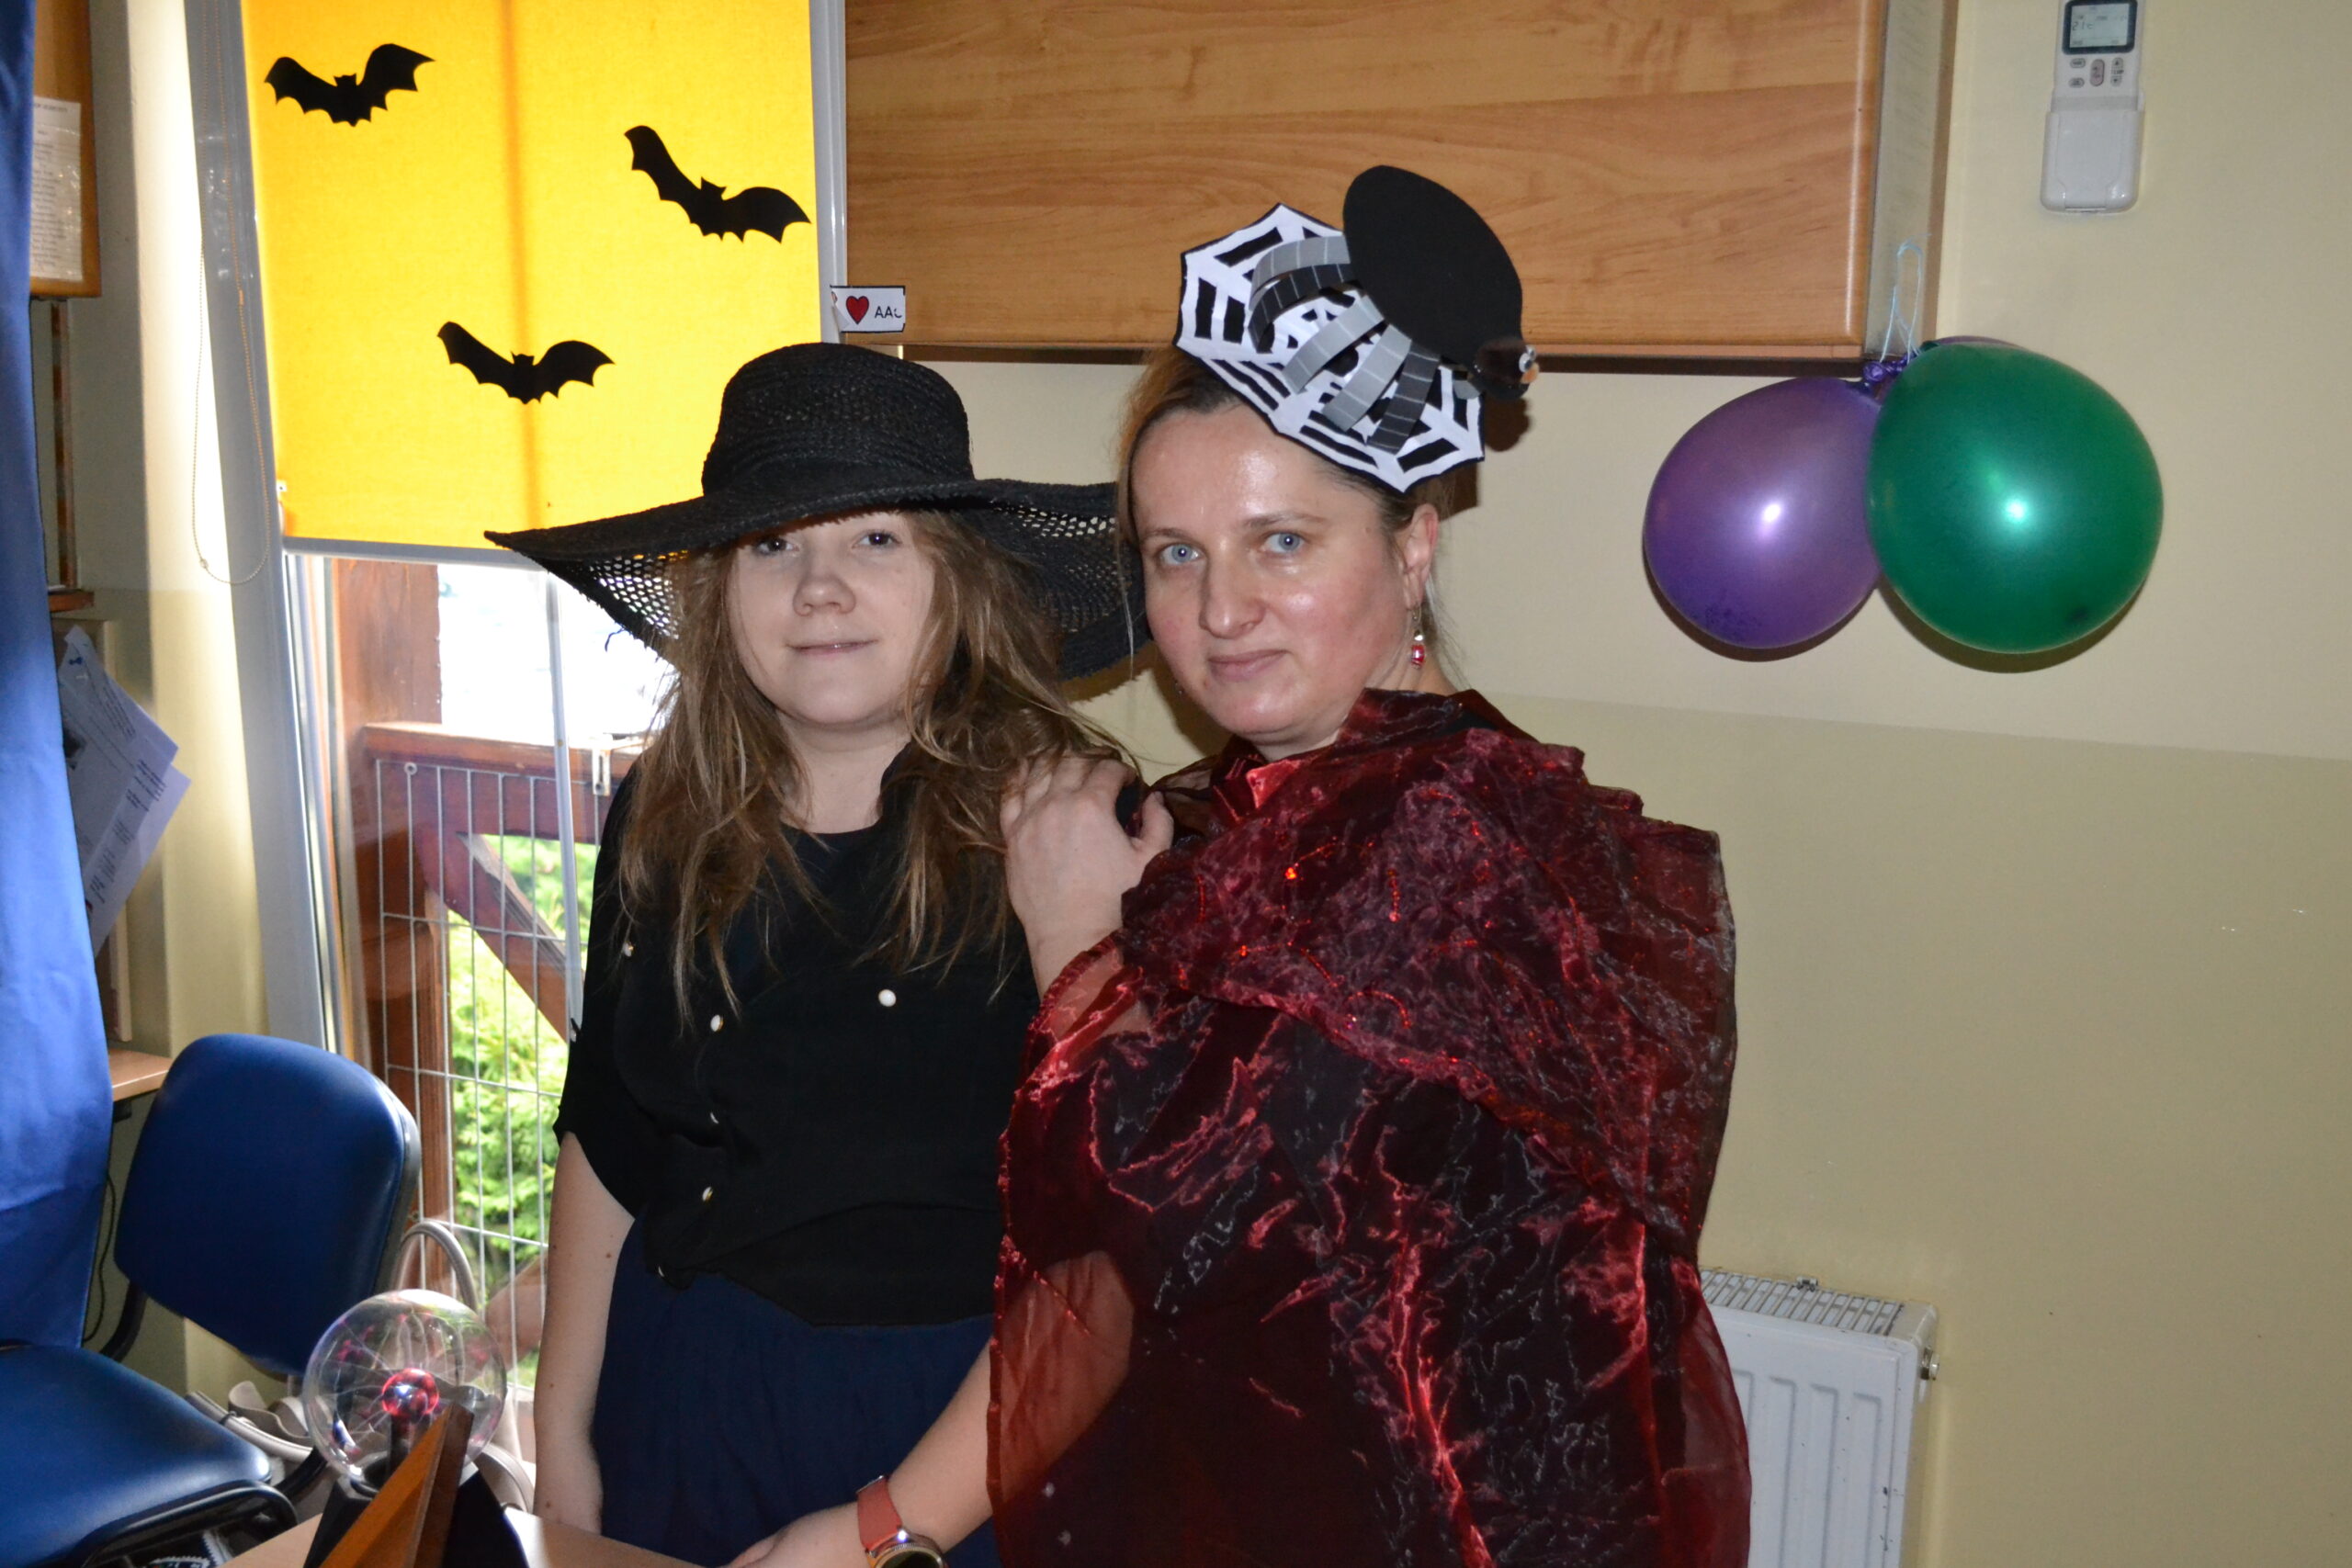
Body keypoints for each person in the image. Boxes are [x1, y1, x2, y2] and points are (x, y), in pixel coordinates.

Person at [794, 168, 1747, 1567]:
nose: (1220, 609)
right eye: (1175, 554)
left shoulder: (1463, 846)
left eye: (1281, 543)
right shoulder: (1255, 820)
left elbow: (1180, 1225)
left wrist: (1077, 947)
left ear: (1413, 545)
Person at [484, 343, 1139, 1568]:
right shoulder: (665, 810)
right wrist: (562, 1420)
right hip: (673, 1397)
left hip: (952, 1439)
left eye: (876, 539)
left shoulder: (1067, 834)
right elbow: (611, 1127)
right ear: (717, 593)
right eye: (773, 545)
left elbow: (1107, 1257)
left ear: (959, 582)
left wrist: (887, 1529)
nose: (819, 589)